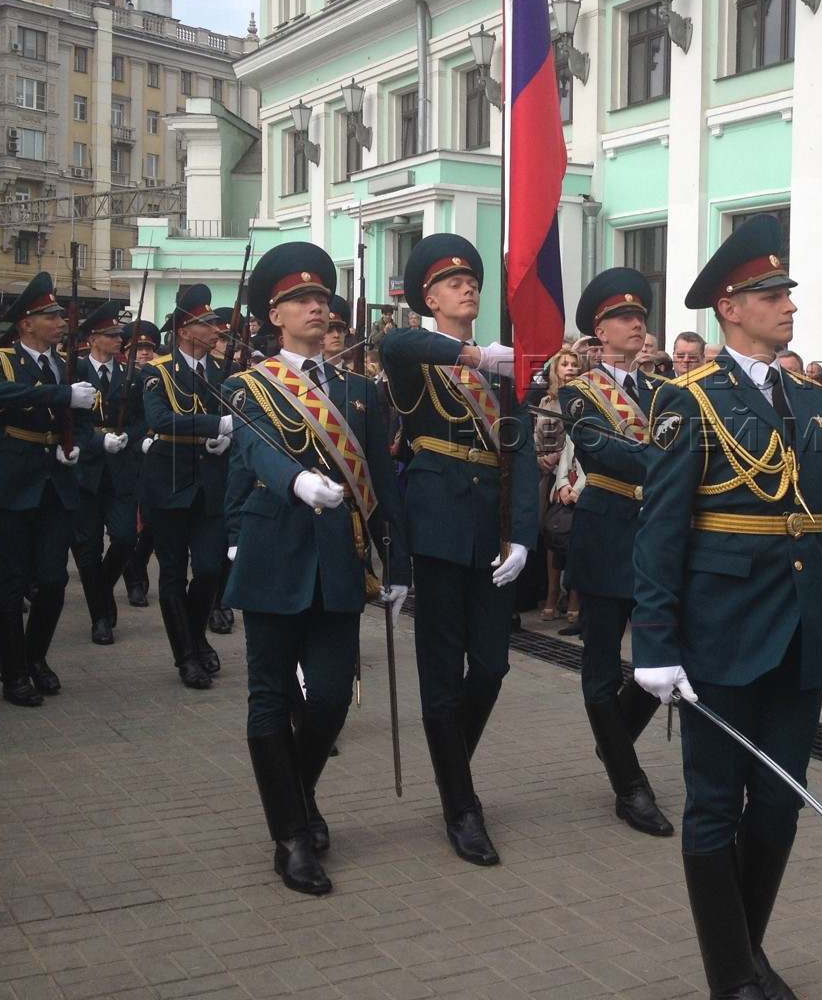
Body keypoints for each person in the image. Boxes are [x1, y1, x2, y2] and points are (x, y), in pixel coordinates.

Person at [631, 213, 822, 1000]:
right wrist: (652, 642)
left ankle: (747, 952)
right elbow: (659, 534)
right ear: (730, 307)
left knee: (781, 809)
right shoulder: (688, 400)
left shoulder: (812, 399)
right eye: (770, 294)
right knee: (715, 807)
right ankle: (731, 977)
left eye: (787, 291)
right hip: (718, 633)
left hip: (798, 634)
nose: (788, 304)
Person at [220, 242, 408, 895]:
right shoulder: (249, 385)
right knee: (270, 696)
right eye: (302, 300)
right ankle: (292, 837)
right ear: (275, 313)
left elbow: (381, 483)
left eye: (323, 299)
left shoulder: (358, 390)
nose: (316, 308)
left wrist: (398, 562)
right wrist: (297, 482)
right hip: (274, 555)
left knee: (329, 698)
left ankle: (293, 796)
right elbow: (253, 447)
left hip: (338, 562)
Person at [379, 234, 537, 867]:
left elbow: (521, 456)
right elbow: (396, 342)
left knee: (493, 666)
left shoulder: (504, 372)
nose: (467, 287)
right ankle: (461, 805)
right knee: (443, 673)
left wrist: (524, 535)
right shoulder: (425, 359)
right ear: (428, 297)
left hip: (492, 530)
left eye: (473, 280)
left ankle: (451, 771)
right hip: (440, 529)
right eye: (452, 283)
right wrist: (475, 354)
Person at [559, 268, 673, 837]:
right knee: (601, 665)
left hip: (657, 538)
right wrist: (669, 464)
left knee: (663, 663)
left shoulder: (664, 392)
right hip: (606, 535)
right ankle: (630, 786)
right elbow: (601, 453)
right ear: (599, 330)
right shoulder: (577, 391)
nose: (638, 326)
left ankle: (614, 744)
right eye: (626, 318)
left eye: (642, 318)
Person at [0, 273, 96, 706]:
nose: (61, 321)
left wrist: (78, 447)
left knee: (53, 579)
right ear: (27, 323)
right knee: (11, 578)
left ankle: (35, 657)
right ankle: (13, 673)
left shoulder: (68, 364)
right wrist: (60, 394)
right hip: (15, 478)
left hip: (57, 482)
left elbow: (83, 416)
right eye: (51, 315)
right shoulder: (1, 359)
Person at [140, 285, 233, 691]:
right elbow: (160, 420)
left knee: (211, 569)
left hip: (211, 485)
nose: (215, 329)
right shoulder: (156, 372)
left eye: (214, 323)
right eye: (205, 323)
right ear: (183, 330)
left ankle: (195, 638)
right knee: (173, 575)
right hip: (170, 484)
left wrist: (228, 437)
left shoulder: (223, 372)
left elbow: (240, 416)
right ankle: (187, 657)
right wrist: (215, 427)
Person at [69, 300, 135, 648]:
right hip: (87, 470)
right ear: (94, 338)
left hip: (121, 468)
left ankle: (102, 591)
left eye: (119, 333)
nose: (119, 339)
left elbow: (142, 420)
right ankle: (100, 618)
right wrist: (97, 441)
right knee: (88, 547)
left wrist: (129, 437)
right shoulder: (74, 372)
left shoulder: (130, 375)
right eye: (112, 334)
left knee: (125, 538)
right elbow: (71, 425)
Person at [536, 348, 583, 623]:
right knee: (552, 534)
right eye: (564, 364)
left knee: (576, 533)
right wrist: (540, 458)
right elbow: (536, 434)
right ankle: (553, 592)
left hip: (578, 472)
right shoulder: (547, 400)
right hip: (548, 472)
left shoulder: (586, 399)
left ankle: (574, 593)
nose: (570, 368)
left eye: (574, 364)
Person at [118, 320, 162, 611]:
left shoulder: (162, 377)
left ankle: (138, 563)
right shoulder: (123, 380)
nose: (144, 353)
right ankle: (133, 580)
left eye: (148, 347)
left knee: (153, 523)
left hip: (158, 458)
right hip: (129, 458)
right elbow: (121, 422)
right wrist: (138, 442)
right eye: (138, 348)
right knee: (128, 527)